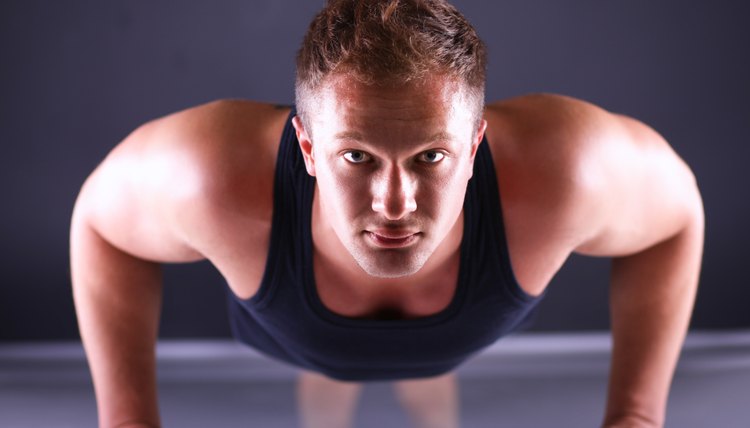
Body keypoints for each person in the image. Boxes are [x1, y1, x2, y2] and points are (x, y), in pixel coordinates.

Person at [69, 0, 704, 427]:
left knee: (430, 383)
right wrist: (127, 418)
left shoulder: (565, 173)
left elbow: (675, 218)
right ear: (309, 149)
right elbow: (101, 223)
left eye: (431, 156)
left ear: (475, 145)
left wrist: (636, 415)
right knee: (328, 380)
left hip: (457, 340)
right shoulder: (212, 179)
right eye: (357, 156)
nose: (394, 204)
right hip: (299, 341)